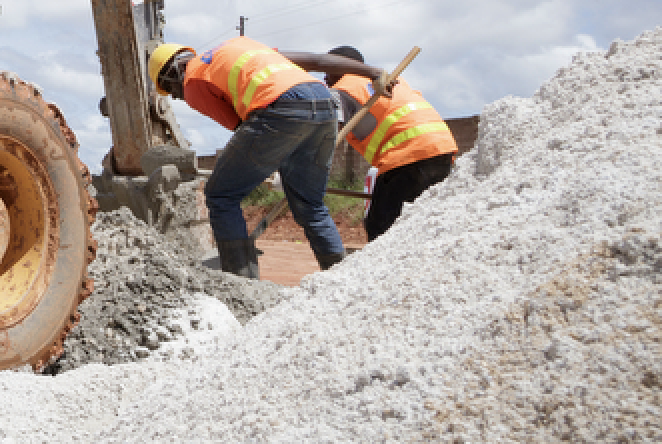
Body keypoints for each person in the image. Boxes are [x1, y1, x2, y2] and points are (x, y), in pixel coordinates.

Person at [147, 38, 385, 279]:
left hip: (279, 108)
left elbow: (243, 129)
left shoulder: (193, 81)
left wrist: (271, 160)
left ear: (172, 75)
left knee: (221, 195)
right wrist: (373, 72)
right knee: (310, 204)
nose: (180, 97)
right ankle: (340, 279)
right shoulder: (243, 47)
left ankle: (241, 285)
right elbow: (318, 60)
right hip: (325, 106)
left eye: (173, 92)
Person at [322, 45, 458, 242]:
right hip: (442, 150)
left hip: (408, 156)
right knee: (424, 224)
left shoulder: (343, 88)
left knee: (382, 227)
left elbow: (327, 132)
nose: (325, 79)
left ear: (341, 65)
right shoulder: (392, 79)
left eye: (328, 71)